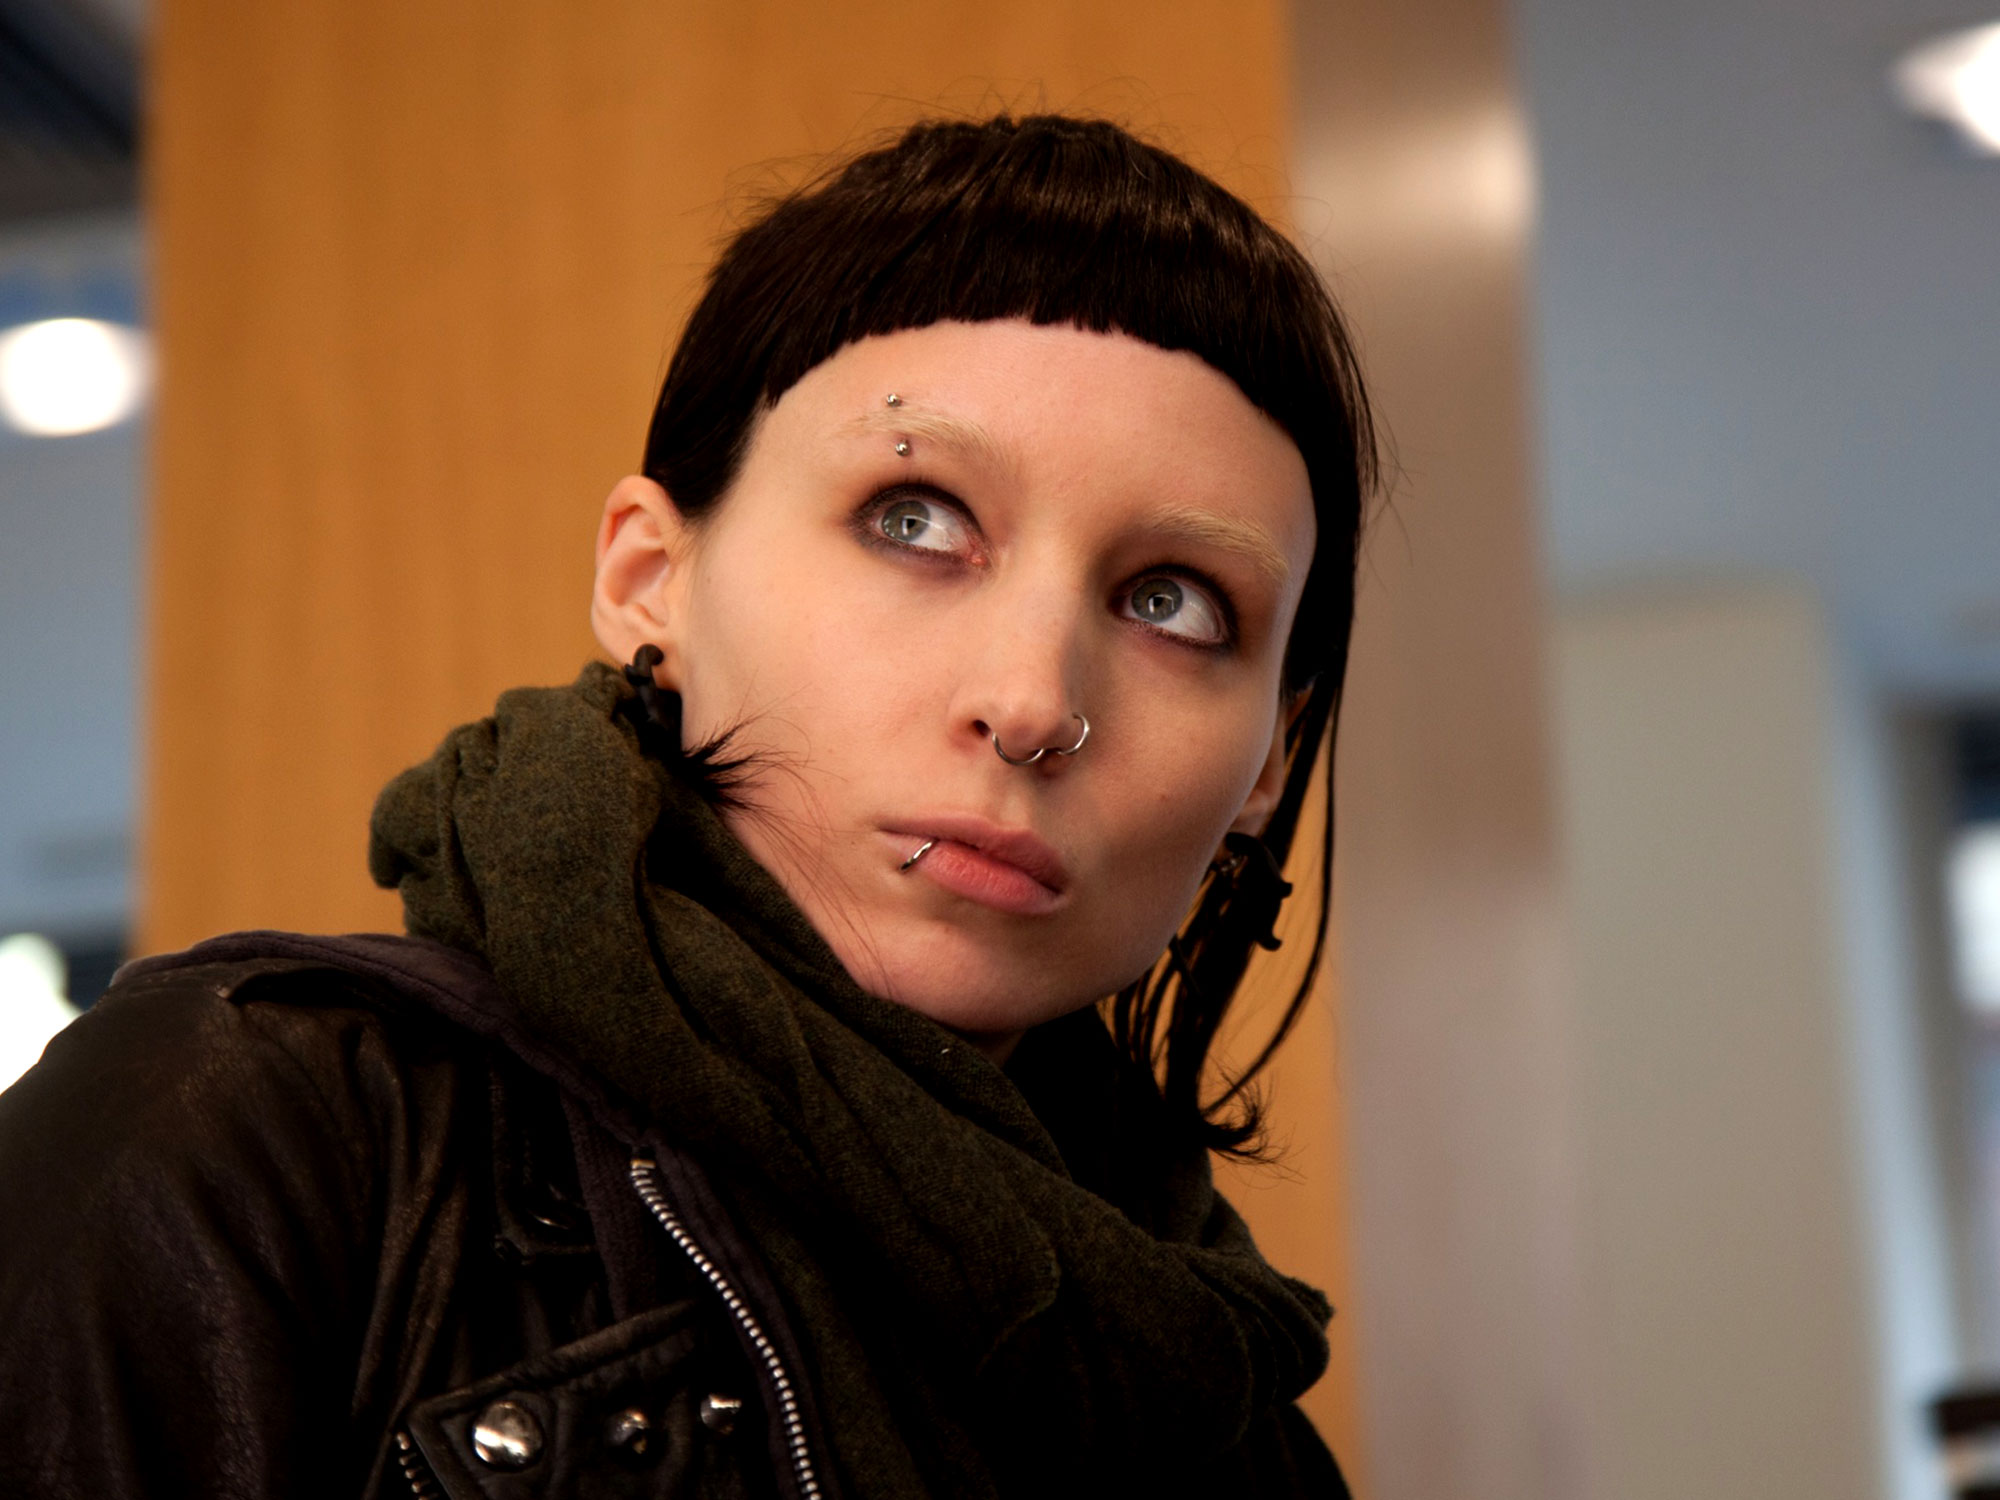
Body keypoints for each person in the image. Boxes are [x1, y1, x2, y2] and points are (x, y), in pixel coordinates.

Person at [0, 113, 1374, 1499]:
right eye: (914, 518)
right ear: (649, 577)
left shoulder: (1227, 1405)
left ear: (1267, 762)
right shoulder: (238, 1138)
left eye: (1174, 604)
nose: (1029, 704)